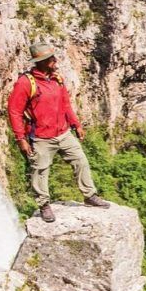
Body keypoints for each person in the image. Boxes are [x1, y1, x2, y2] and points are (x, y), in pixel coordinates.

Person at [7, 41, 109, 223]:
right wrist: (21, 139)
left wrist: (76, 124)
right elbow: (14, 111)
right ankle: (44, 205)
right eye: (50, 58)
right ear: (41, 62)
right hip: (41, 137)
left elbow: (65, 104)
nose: (55, 60)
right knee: (40, 170)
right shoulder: (25, 83)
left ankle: (89, 195)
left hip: (63, 132)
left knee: (80, 160)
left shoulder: (57, 79)